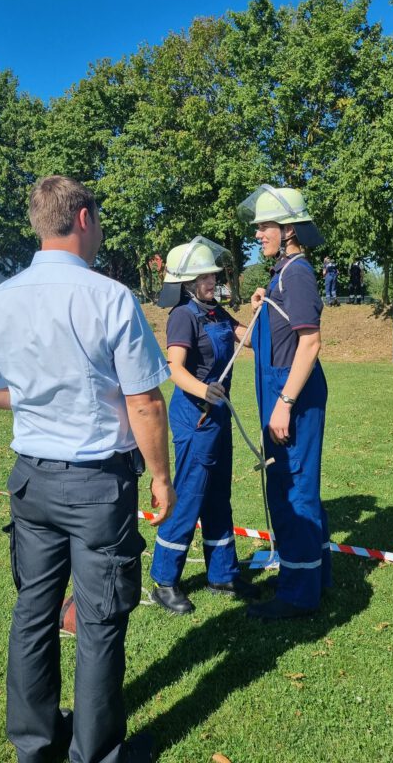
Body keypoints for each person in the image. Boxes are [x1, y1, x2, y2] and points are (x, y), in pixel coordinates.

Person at [0, 176, 175, 763]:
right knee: (101, 619)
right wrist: (162, 478)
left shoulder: (0, 298)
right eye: (100, 219)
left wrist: (43, 397)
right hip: (96, 486)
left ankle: (34, 745)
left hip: (32, 481)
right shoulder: (109, 296)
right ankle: (97, 753)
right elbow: (144, 402)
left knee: (33, 614)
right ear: (84, 218)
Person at [150, 237, 260, 614]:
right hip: (194, 417)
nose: (212, 280)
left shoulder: (215, 312)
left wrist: (260, 312)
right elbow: (174, 368)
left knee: (217, 495)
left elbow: (246, 337)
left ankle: (222, 574)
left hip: (218, 417)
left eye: (212, 275)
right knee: (189, 495)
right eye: (204, 277)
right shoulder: (183, 315)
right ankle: (164, 581)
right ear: (187, 283)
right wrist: (204, 390)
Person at [237, 185, 332, 620]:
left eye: (265, 226)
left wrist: (285, 402)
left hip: (292, 396)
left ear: (289, 229)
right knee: (292, 486)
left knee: (295, 489)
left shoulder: (297, 273)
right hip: (282, 391)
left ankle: (298, 595)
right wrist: (263, 305)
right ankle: (313, 577)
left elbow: (309, 344)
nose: (258, 234)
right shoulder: (282, 274)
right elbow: (276, 338)